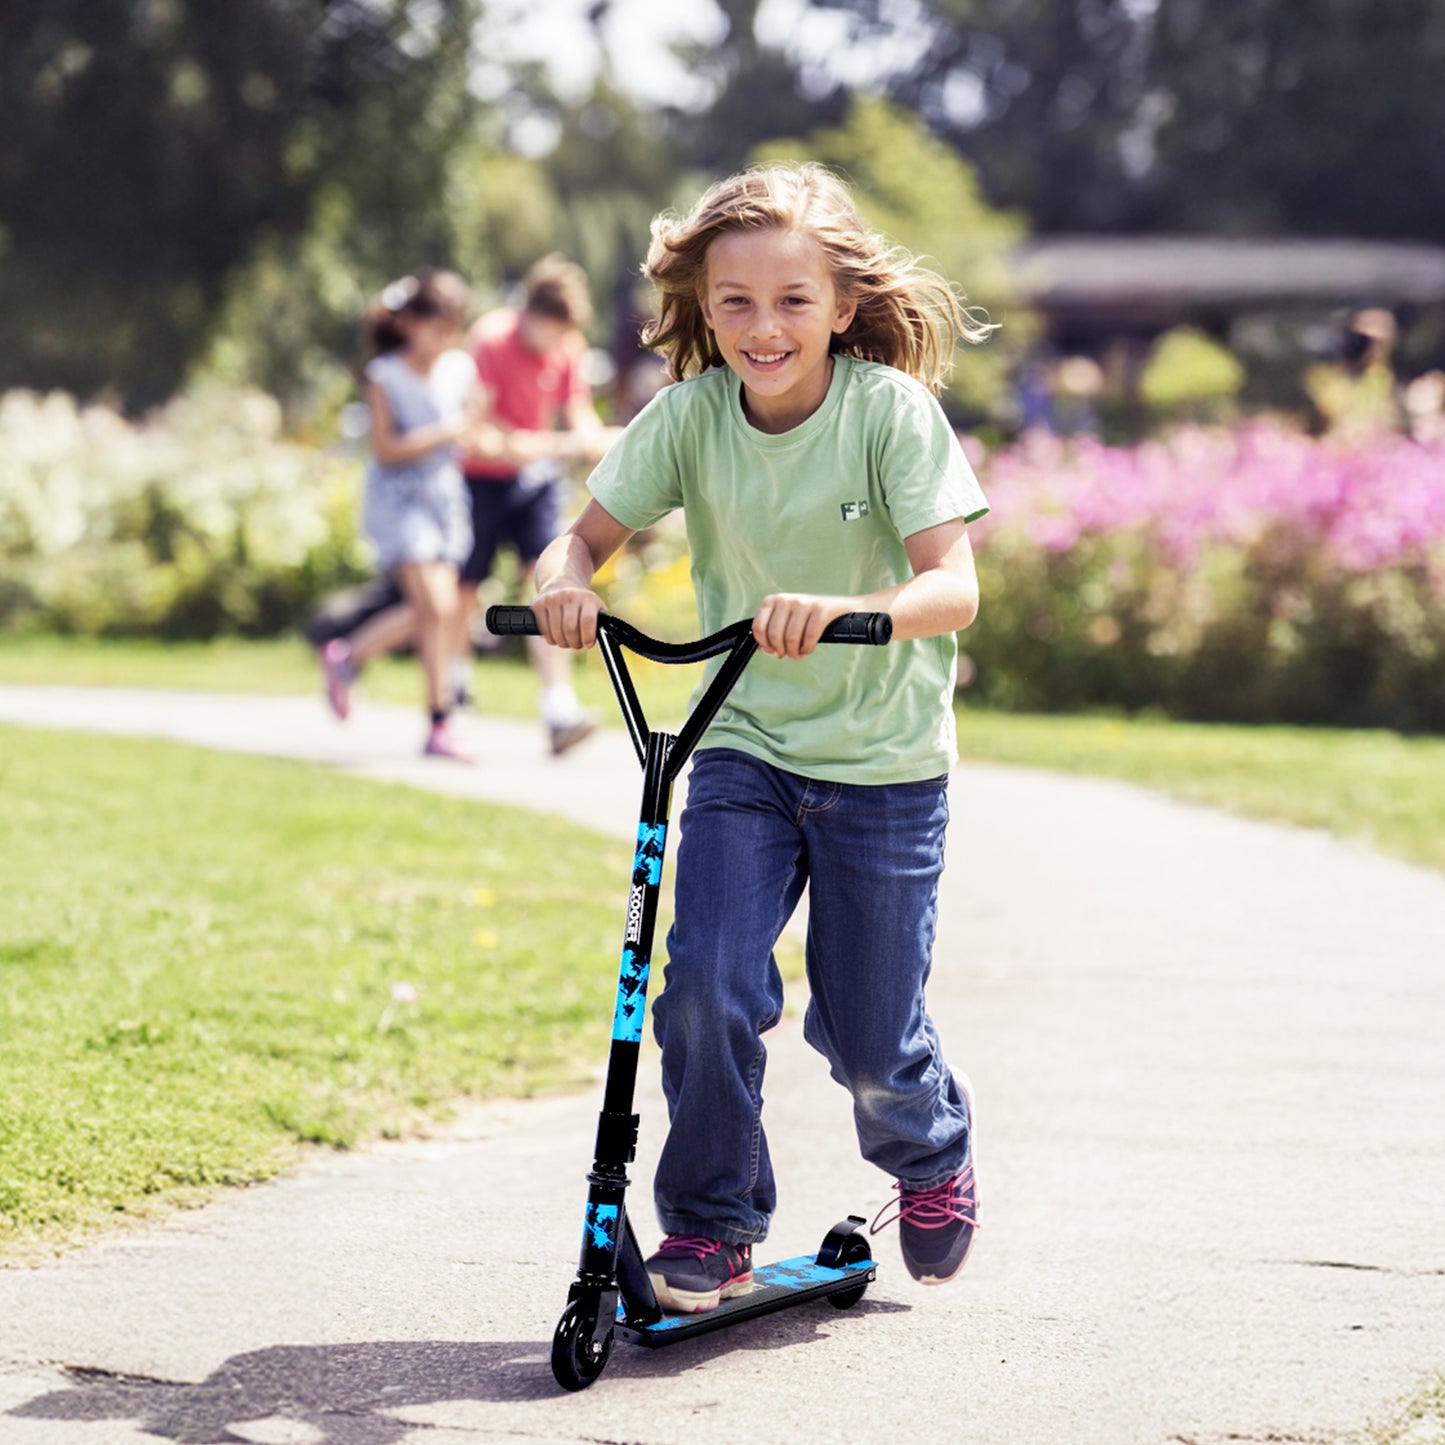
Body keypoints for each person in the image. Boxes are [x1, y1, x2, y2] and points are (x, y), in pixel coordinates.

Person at [530, 163, 992, 1313]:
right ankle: (713, 1221)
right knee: (704, 981)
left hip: (881, 765)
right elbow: (575, 541)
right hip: (743, 746)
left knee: (869, 1034)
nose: (761, 326)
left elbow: (954, 587)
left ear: (841, 307)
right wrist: (563, 586)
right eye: (733, 301)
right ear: (702, 307)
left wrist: (847, 611)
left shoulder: (887, 413)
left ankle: (929, 1148)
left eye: (792, 300)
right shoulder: (686, 418)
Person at [460, 254, 622, 754]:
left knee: (550, 576)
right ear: (527, 312)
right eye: (546, 330)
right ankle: (453, 683)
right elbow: (481, 433)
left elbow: (575, 415)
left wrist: (605, 441)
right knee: (465, 584)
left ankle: (558, 706)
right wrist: (552, 445)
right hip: (481, 479)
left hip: (536, 479)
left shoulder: (568, 346)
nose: (553, 342)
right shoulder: (489, 341)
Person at [323, 270, 477, 761]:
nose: (445, 339)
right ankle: (439, 719)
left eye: (453, 328)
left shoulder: (459, 369)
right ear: (411, 323)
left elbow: (472, 429)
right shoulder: (384, 374)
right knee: (434, 604)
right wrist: (446, 431)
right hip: (400, 499)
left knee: (442, 609)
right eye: (438, 326)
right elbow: (385, 449)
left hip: (444, 498)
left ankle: (350, 659)